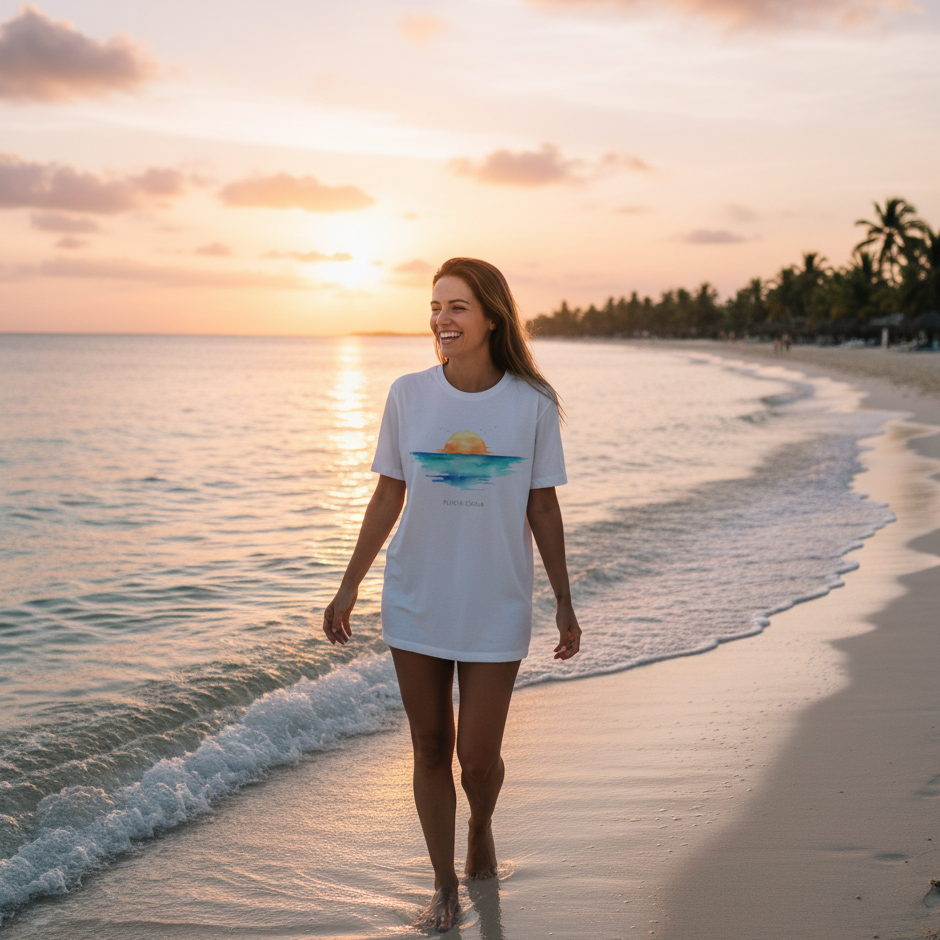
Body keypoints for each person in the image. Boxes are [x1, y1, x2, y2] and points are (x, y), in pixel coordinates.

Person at [322, 257, 581, 932]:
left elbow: (543, 508)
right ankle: (443, 885)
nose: (442, 319)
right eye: (436, 306)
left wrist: (564, 599)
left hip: (497, 599)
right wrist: (348, 586)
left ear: (492, 315)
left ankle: (481, 826)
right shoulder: (409, 395)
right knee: (431, 745)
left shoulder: (531, 404)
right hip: (417, 597)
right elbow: (386, 494)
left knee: (478, 759)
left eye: (458, 306)